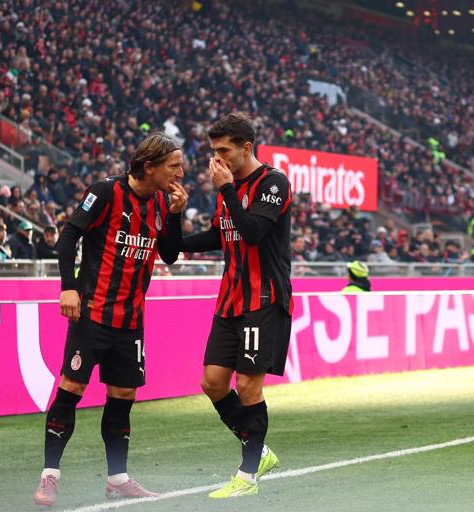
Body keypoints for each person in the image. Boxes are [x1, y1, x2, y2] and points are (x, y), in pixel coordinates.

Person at [33, 133, 187, 507]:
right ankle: (50, 475)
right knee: (71, 389)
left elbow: (168, 254)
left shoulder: (162, 204)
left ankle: (118, 479)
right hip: (93, 314)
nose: (181, 172)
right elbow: (69, 236)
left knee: (122, 397)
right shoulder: (105, 193)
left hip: (131, 320)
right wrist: (68, 286)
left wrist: (176, 215)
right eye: (174, 166)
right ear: (149, 166)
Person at [179, 113, 291, 498]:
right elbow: (218, 234)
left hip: (263, 299)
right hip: (230, 299)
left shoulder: (274, 183)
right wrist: (174, 239)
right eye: (214, 151)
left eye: (224, 150)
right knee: (211, 382)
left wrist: (227, 190)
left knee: (247, 384)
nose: (217, 158)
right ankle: (258, 449)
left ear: (246, 147)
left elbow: (254, 231)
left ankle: (247, 476)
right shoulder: (226, 187)